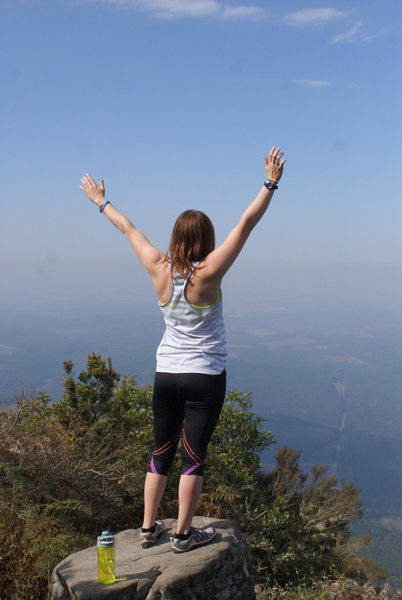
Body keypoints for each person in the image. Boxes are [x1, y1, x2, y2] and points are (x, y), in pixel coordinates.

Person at [80, 146, 286, 552]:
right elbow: (246, 224)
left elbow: (128, 228)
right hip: (204, 376)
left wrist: (101, 201)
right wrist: (270, 182)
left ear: (175, 237)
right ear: (206, 238)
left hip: (166, 375)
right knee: (193, 458)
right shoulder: (209, 272)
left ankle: (147, 528)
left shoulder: (158, 266)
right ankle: (182, 535)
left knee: (160, 451)